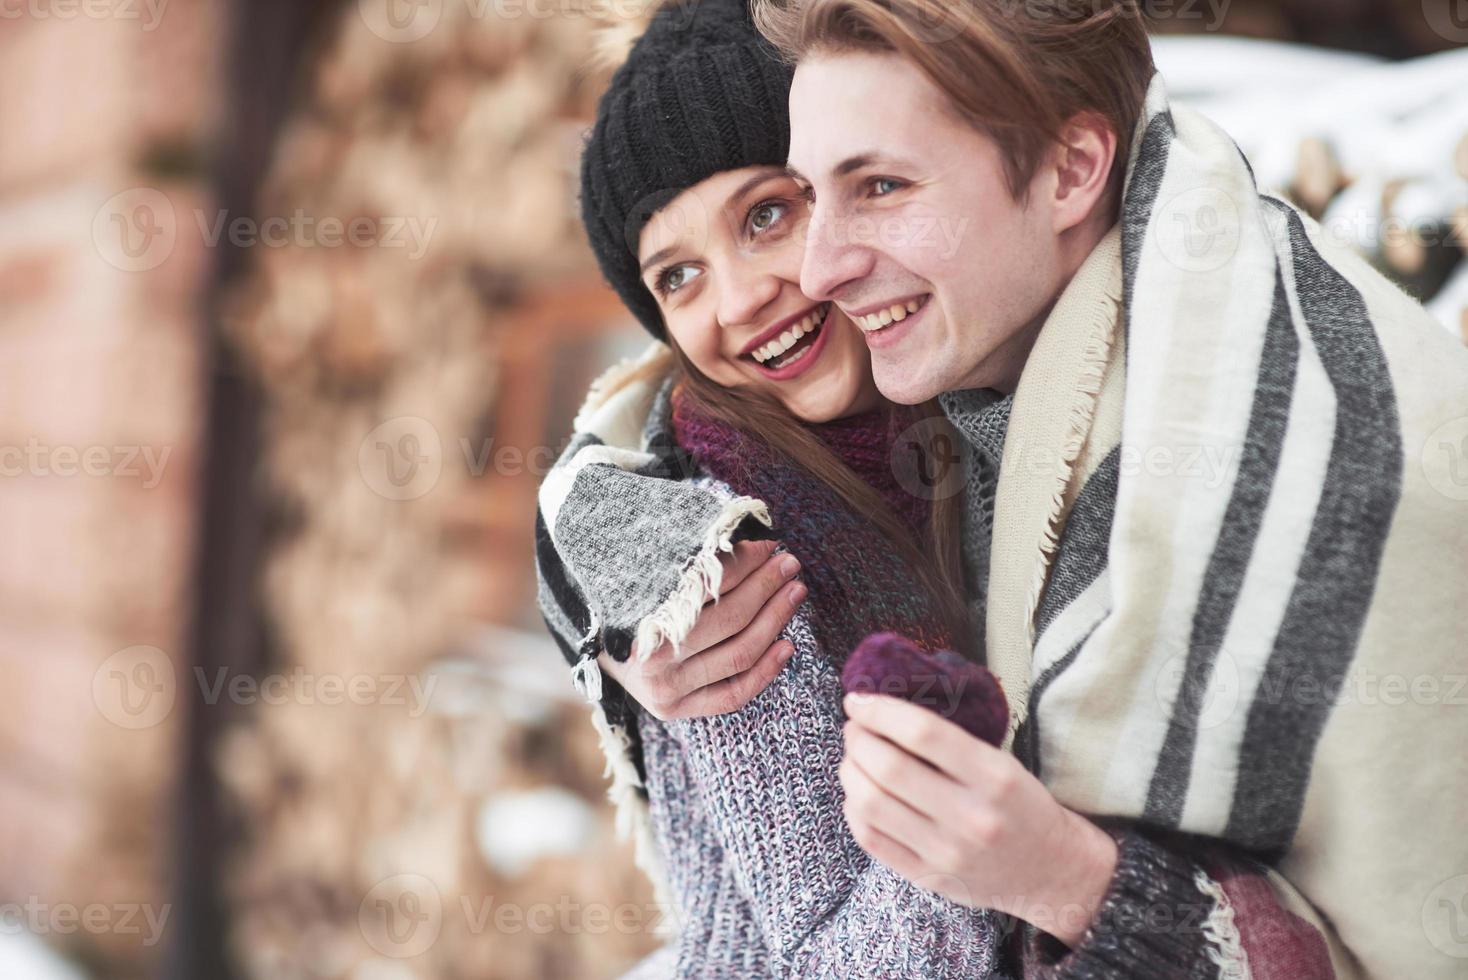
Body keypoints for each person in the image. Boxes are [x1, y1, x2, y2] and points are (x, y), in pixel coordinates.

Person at [738, 1, 1467, 977]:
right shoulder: (994, 342)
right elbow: (700, 385)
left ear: (1071, 169)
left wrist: (1067, 879)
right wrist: (624, 565)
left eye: (879, 185)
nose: (820, 268)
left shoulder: (1314, 475)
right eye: (807, 196)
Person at [536, 1, 1008, 974]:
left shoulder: (976, 398)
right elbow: (821, 954)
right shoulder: (711, 566)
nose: (740, 298)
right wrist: (987, 768)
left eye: (766, 215)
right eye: (678, 277)